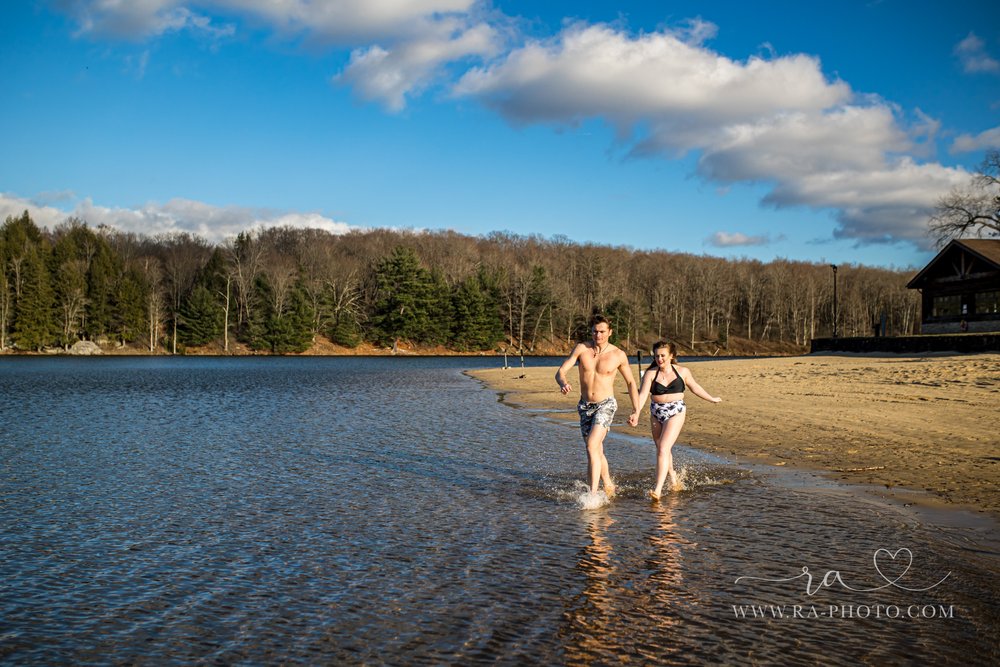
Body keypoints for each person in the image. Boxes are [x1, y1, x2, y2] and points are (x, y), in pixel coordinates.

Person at [556, 315, 640, 498]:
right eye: (595, 331)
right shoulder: (581, 348)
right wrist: (562, 382)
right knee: (595, 450)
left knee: (592, 445)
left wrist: (636, 410)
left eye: (602, 331)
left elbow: (631, 383)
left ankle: (592, 494)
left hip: (606, 404)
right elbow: (561, 371)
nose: (598, 335)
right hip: (585, 406)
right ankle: (608, 484)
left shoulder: (618, 355)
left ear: (610, 332)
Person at [630, 340, 721, 501]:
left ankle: (657, 490)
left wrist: (711, 399)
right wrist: (636, 413)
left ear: (671, 356)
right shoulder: (650, 373)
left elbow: (695, 387)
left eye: (663, 355)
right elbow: (643, 395)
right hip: (656, 412)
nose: (660, 359)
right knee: (661, 449)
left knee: (664, 447)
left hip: (675, 411)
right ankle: (672, 477)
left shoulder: (683, 371)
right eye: (657, 356)